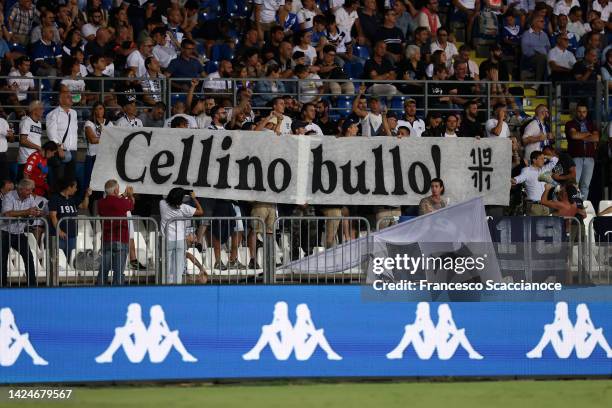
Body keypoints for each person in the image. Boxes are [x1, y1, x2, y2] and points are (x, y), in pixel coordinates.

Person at [0, 179, 42, 287]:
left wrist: (37, 212)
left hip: (19, 233)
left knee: (29, 257)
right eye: (28, 190)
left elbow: (34, 209)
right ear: (21, 189)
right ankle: (2, 286)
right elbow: (7, 214)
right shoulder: (9, 197)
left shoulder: (30, 198)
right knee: (2, 260)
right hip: (4, 233)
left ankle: (32, 285)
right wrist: (27, 212)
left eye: (32, 190)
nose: (30, 193)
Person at [160, 188, 204, 284]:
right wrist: (194, 198)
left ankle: (164, 286)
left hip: (167, 239)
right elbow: (201, 211)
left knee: (165, 265)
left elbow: (165, 198)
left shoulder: (162, 204)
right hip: (179, 240)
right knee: (178, 268)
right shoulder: (184, 207)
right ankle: (177, 286)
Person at [96, 180, 135, 286]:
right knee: (118, 270)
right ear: (116, 190)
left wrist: (123, 195)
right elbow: (131, 205)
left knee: (104, 269)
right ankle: (117, 292)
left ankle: (99, 290)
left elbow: (115, 202)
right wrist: (130, 195)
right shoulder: (121, 202)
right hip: (121, 239)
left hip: (107, 239)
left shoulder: (100, 203)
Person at [49, 178, 91, 268]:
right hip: (58, 236)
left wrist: (87, 196)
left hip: (72, 234)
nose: (76, 189)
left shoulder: (74, 199)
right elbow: (53, 216)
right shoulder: (55, 198)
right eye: (75, 187)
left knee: (70, 259)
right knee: (58, 261)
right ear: (69, 187)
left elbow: (84, 206)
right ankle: (56, 281)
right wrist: (59, 231)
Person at [45, 86, 79, 188]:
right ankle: (56, 202)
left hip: (73, 151)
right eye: (68, 97)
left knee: (70, 180)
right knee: (59, 180)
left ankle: (67, 201)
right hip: (60, 151)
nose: (71, 98)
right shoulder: (53, 114)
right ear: (61, 100)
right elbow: (51, 134)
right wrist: (58, 148)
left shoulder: (74, 113)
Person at [565, 103, 599, 200]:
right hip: (575, 158)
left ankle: (582, 205)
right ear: (576, 112)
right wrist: (588, 134)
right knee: (574, 184)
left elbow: (596, 138)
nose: (581, 114)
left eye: (584, 112)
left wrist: (581, 136)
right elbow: (573, 136)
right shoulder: (570, 123)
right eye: (579, 111)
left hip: (589, 159)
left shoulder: (591, 124)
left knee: (585, 185)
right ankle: (573, 205)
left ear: (587, 112)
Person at [511, 150, 559, 216]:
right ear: (534, 160)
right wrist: (514, 180)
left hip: (546, 205)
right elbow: (519, 178)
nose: (543, 160)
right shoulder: (527, 170)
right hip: (534, 206)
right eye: (541, 159)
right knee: (533, 226)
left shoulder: (544, 169)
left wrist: (544, 156)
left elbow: (556, 160)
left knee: (545, 226)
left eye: (544, 159)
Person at [84, 102, 113, 191]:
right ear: (93, 111)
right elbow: (92, 140)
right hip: (92, 156)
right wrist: (106, 135)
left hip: (105, 157)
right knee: (90, 184)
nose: (98, 111)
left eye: (100, 108)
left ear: (104, 110)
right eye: (96, 109)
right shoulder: (89, 123)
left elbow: (114, 140)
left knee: (104, 183)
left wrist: (103, 136)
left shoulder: (109, 123)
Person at [18, 101, 44, 180]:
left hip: (35, 159)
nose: (43, 111)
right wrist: (38, 147)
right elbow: (23, 141)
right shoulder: (26, 121)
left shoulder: (39, 123)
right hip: (25, 159)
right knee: (24, 184)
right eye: (41, 109)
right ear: (34, 110)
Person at [521, 15, 551, 81]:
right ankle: (538, 82)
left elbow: (548, 48)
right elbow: (525, 51)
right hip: (530, 59)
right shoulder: (526, 34)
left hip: (544, 57)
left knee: (547, 59)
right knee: (542, 58)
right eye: (542, 21)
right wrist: (539, 51)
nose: (544, 23)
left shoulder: (544, 34)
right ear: (535, 23)